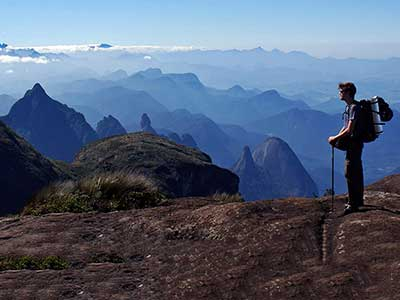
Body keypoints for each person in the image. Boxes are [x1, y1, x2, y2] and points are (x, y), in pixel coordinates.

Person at [328, 82, 364, 215]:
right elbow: (345, 127)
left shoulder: (354, 107)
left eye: (341, 91)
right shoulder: (350, 107)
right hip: (355, 143)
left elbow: (349, 129)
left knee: (350, 172)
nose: (339, 93)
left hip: (354, 144)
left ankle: (353, 204)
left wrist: (335, 138)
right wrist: (336, 137)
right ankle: (358, 200)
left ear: (348, 93)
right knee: (356, 171)